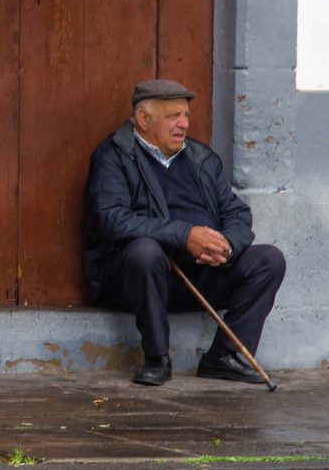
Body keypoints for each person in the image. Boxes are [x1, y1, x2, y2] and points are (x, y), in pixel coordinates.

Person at [84, 79, 285, 386]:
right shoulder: (113, 156)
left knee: (268, 260)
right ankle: (157, 358)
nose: (183, 124)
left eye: (186, 116)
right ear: (143, 120)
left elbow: (236, 212)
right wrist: (185, 235)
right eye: (173, 116)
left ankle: (224, 356)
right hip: (143, 278)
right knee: (144, 252)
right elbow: (113, 220)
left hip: (200, 273)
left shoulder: (201, 159)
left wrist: (225, 246)